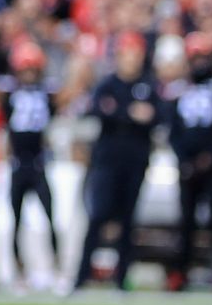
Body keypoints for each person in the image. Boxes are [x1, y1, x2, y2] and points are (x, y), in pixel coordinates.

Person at [67, 36, 158, 292]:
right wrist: (130, 114)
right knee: (98, 216)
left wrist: (122, 113)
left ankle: (121, 279)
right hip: (107, 162)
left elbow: (157, 115)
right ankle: (81, 275)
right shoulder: (107, 84)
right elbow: (99, 110)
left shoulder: (146, 85)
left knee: (128, 220)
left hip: (135, 161)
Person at [160, 33, 212, 292]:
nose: (199, 63)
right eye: (195, 57)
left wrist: (211, 157)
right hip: (187, 166)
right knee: (185, 222)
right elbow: (172, 131)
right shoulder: (177, 91)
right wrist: (185, 159)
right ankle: (179, 272)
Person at [0, 41, 62, 288]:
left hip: (38, 164)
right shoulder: (10, 95)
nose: (28, 75)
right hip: (17, 165)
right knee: (15, 220)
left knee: (50, 217)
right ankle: (19, 272)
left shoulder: (47, 94)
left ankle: (56, 268)